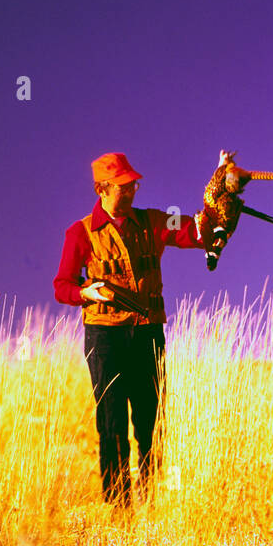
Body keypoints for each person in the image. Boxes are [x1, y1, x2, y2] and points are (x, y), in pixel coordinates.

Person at [53, 152, 206, 506]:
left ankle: (150, 502)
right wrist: (82, 292)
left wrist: (225, 191)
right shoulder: (79, 232)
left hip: (148, 333)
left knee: (152, 421)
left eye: (133, 184)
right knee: (112, 424)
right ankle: (118, 509)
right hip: (105, 337)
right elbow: (61, 286)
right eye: (123, 186)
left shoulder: (154, 221)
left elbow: (197, 231)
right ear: (102, 189)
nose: (132, 191)